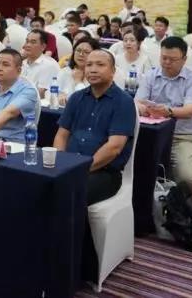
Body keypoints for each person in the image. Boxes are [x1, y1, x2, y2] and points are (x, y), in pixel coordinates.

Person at [54, 49, 137, 282]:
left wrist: (78, 170)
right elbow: (61, 135)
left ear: (113, 71)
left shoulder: (123, 102)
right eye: (89, 64)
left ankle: (81, 268)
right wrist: (60, 164)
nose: (92, 69)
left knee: (68, 194)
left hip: (105, 173)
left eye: (100, 65)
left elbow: (114, 147)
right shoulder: (76, 98)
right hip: (70, 167)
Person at [135, 37, 192, 196]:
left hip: (181, 137)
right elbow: (137, 102)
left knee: (189, 178)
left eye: (172, 59)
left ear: (184, 59)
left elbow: (189, 111)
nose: (166, 62)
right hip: (149, 136)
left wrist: (168, 112)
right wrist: (144, 109)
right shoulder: (150, 76)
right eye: (164, 58)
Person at [21, 30, 59, 97]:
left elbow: (41, 93)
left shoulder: (49, 65)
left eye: (33, 42)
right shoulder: (21, 63)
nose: (28, 45)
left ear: (43, 47)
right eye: (27, 41)